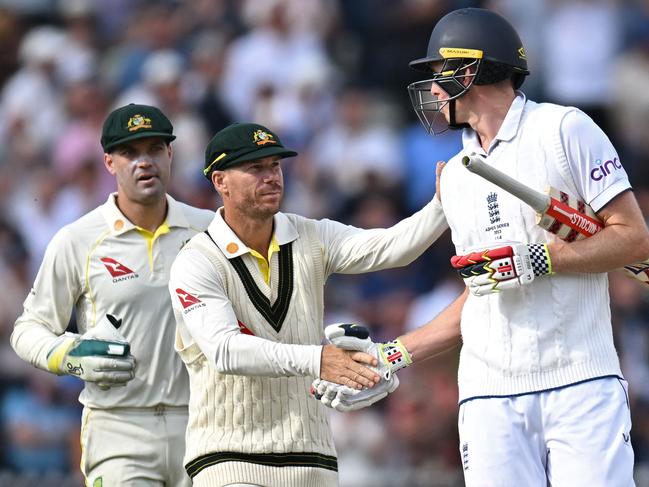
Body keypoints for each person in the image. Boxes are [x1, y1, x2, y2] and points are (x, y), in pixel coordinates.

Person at [316, 7, 649, 486]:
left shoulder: (563, 129)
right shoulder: (454, 175)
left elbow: (634, 239)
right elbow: (480, 294)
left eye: (437, 75)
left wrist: (541, 258)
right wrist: (392, 355)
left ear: (467, 70)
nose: (432, 91)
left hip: (580, 379)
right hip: (488, 393)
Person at [166, 121, 450, 487]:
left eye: (275, 166)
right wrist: (319, 359)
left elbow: (391, 248)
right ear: (220, 181)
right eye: (256, 168)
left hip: (314, 458)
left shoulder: (311, 235)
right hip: (229, 458)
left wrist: (442, 205)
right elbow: (225, 351)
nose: (271, 177)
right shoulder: (197, 261)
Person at [10, 103, 214, 486]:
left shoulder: (210, 231)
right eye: (130, 153)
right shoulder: (78, 239)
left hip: (204, 426)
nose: (144, 162)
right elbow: (28, 330)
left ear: (170, 154)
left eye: (154, 149)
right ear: (108, 162)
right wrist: (71, 355)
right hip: (119, 428)